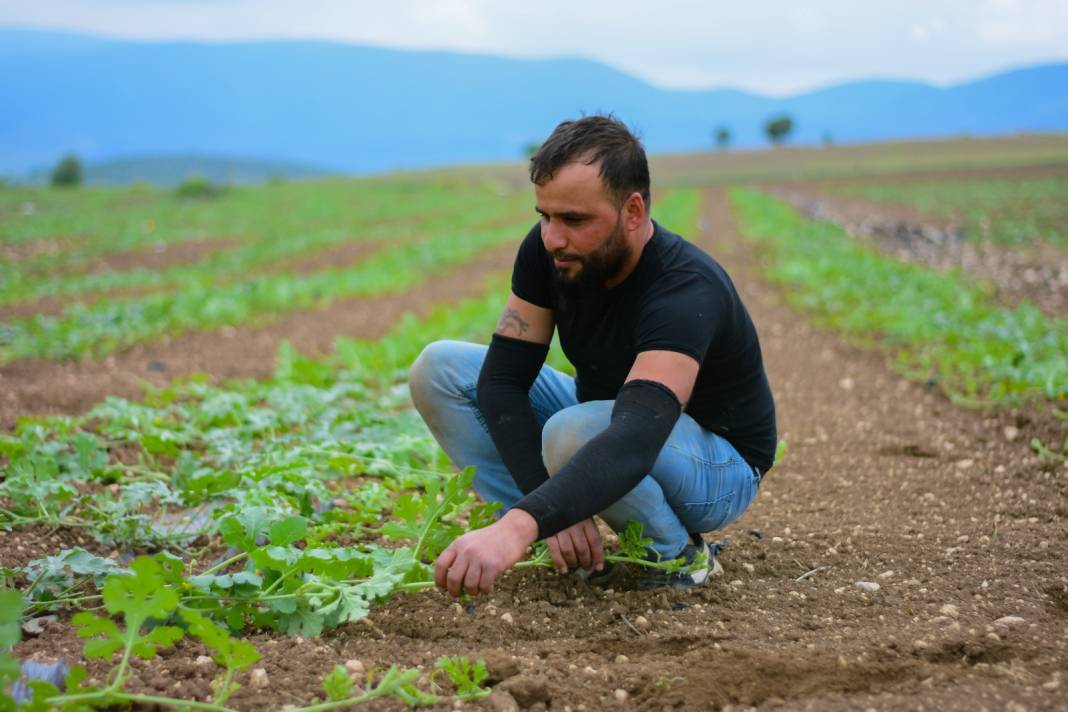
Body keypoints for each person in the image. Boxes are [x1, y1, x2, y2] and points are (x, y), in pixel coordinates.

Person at [408, 115, 776, 598]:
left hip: (715, 467)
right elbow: (502, 382)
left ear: (633, 210)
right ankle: (560, 540)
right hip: (603, 422)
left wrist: (522, 522)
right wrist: (547, 511)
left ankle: (676, 556)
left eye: (575, 220)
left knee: (575, 432)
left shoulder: (684, 290)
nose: (552, 238)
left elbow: (636, 437)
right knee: (440, 369)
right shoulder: (549, 254)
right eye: (545, 215)